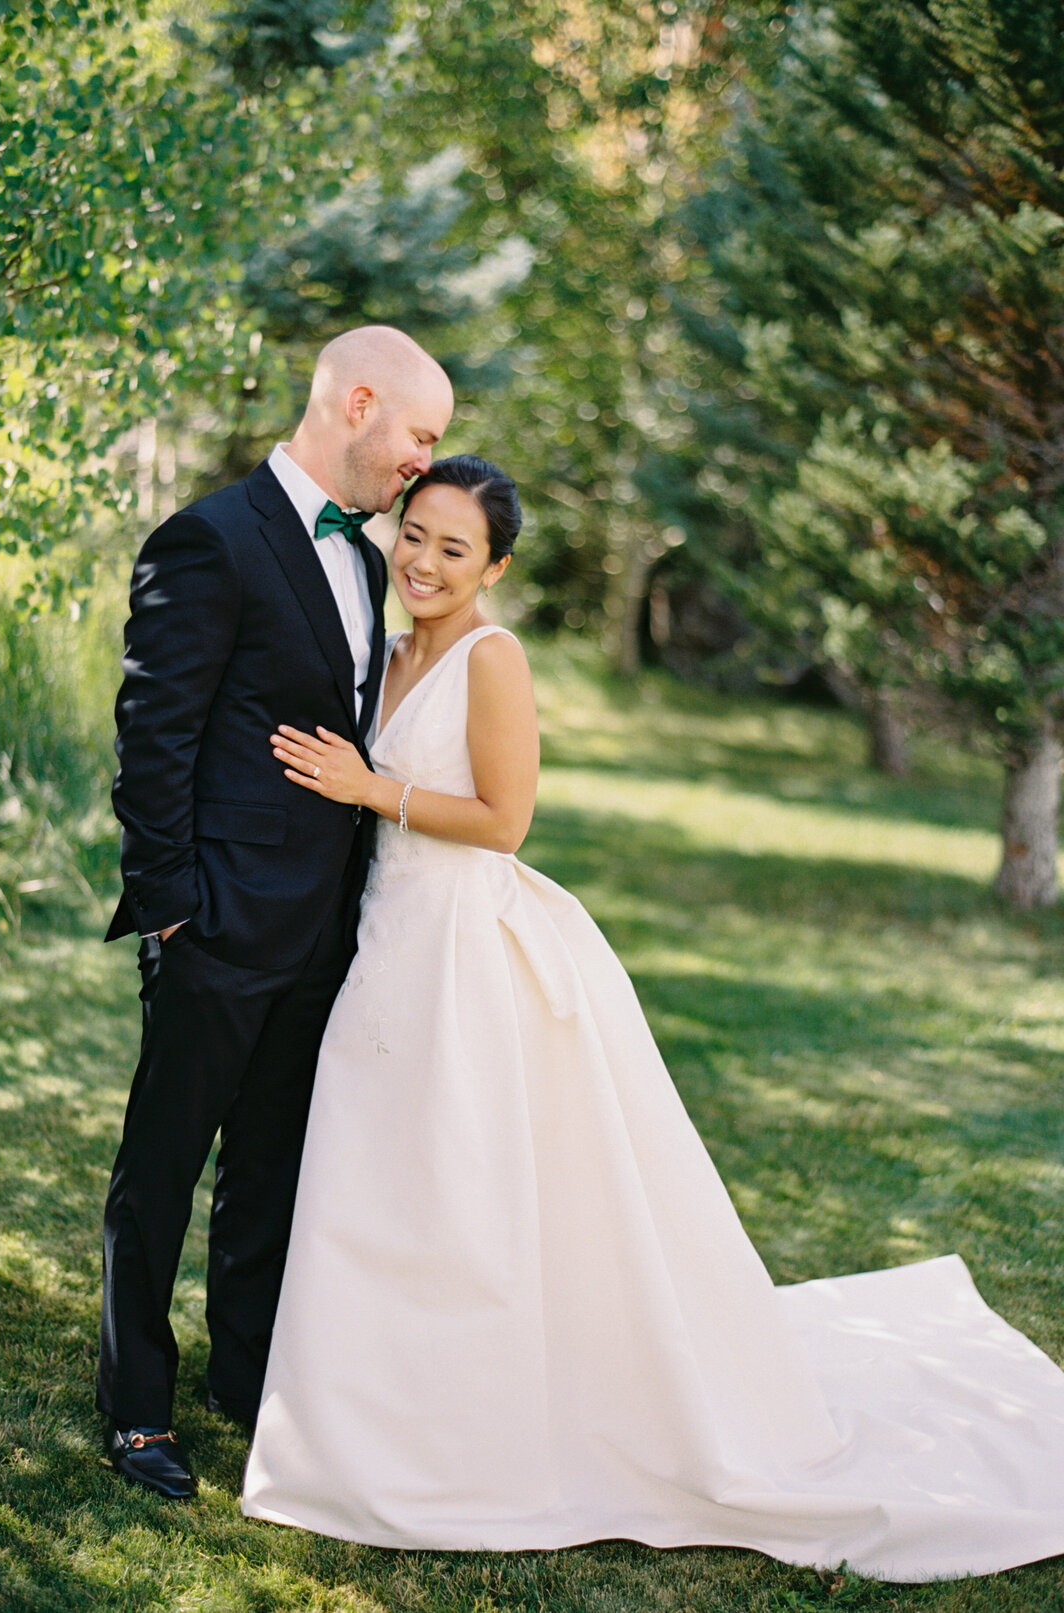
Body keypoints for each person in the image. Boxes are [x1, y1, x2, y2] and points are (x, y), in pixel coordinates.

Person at [241, 453, 1064, 1581]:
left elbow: (504, 818)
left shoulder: (495, 657)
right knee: (376, 1175)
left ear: (496, 566)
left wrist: (369, 787)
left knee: (466, 1181)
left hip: (463, 951)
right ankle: (366, 1413)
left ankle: (473, 1428)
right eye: (415, 536)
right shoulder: (383, 653)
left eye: (454, 548)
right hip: (385, 944)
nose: (425, 562)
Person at [98, 326, 454, 1499]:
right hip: (215, 923)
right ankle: (136, 1402)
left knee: (272, 1169)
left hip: (322, 933)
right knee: (162, 1167)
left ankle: (243, 1381)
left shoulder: (366, 556)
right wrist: (171, 913)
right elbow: (154, 739)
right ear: (358, 403)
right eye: (419, 434)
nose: (424, 459)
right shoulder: (210, 539)